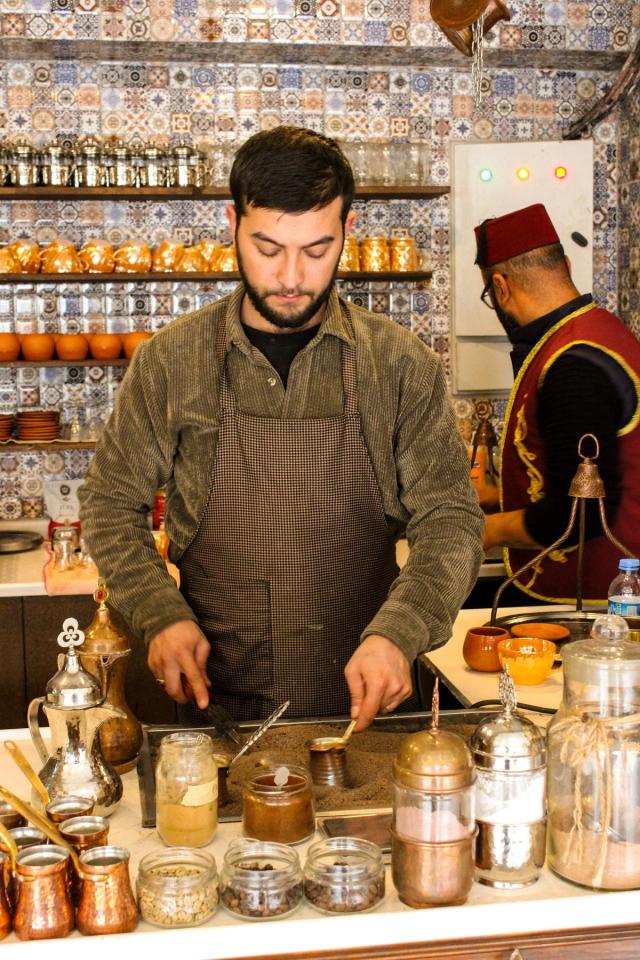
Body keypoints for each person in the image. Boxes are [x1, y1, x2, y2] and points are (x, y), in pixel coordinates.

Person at [79, 126, 484, 729]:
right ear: (232, 224)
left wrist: (401, 632)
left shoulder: (400, 364)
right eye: (268, 249)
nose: (292, 276)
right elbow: (110, 505)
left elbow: (451, 521)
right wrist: (159, 612)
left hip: (366, 713)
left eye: (316, 251)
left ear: (347, 230)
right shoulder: (172, 360)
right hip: (212, 714)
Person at [475, 202, 640, 603]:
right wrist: (493, 499)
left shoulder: (572, 364)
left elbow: (581, 511)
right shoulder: (600, 331)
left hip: (597, 603)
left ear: (501, 287)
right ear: (565, 263)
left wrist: (485, 531)